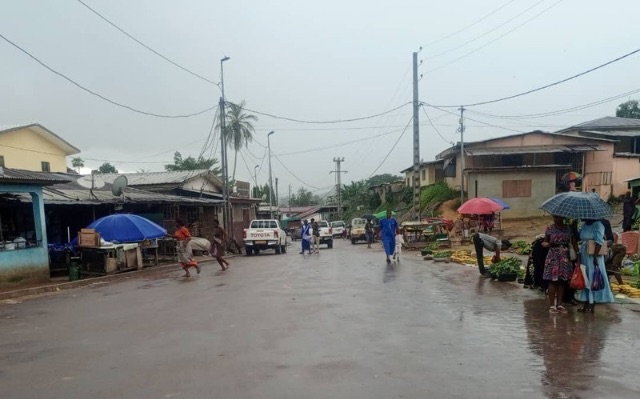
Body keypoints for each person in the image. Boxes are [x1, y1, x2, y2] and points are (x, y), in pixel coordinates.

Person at [575, 219, 615, 313]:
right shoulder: (584, 225)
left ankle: (592, 303)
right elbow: (579, 237)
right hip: (585, 254)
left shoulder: (598, 225)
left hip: (594, 255)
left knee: (593, 278)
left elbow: (599, 241)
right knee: (586, 278)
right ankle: (586, 302)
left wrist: (595, 257)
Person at [541, 215, 577, 313]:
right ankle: (552, 305)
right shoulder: (550, 228)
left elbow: (574, 243)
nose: (556, 219)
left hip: (565, 256)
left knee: (562, 281)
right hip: (553, 255)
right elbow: (545, 241)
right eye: (555, 217)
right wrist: (546, 244)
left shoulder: (568, 229)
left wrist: (577, 255)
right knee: (552, 280)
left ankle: (559, 304)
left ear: (563, 218)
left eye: (558, 217)